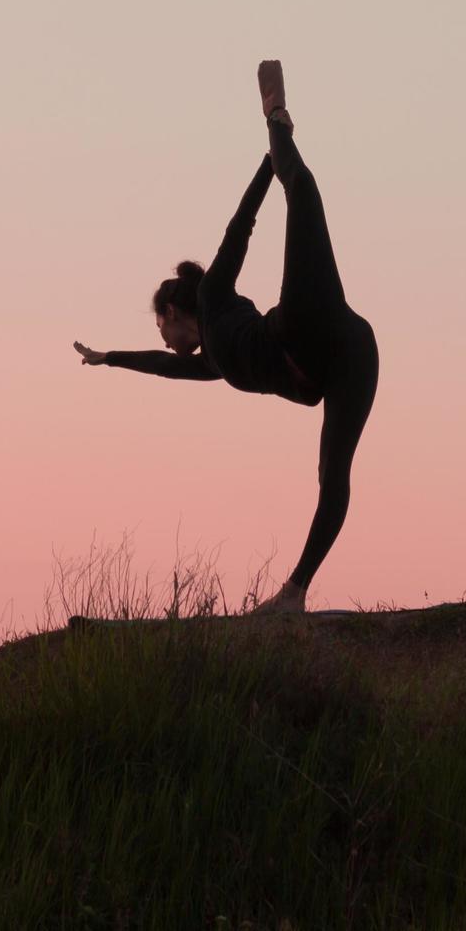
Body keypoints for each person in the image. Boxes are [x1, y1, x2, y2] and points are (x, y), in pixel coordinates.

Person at [73, 62, 380, 615]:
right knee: (331, 477)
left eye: (159, 327)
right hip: (344, 361)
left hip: (307, 327)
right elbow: (163, 368)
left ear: (172, 310)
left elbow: (240, 228)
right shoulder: (210, 362)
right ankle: (294, 595)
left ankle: (276, 118)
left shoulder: (214, 294)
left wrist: (268, 164)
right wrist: (109, 358)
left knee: (303, 190)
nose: (163, 340)